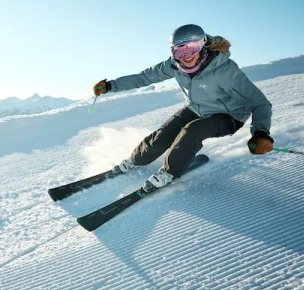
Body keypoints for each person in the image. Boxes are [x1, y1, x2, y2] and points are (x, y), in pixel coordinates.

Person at [93, 24, 274, 191]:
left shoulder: (224, 71)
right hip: (196, 108)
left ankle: (169, 172)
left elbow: (260, 103)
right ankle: (136, 160)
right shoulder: (174, 65)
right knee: (163, 135)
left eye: (192, 48)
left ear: (203, 45)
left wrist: (261, 133)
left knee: (192, 130)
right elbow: (143, 78)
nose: (186, 56)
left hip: (228, 116)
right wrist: (111, 85)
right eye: (179, 50)